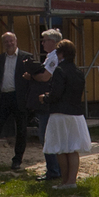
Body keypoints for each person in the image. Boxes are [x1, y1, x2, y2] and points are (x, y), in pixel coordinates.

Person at [41, 40, 91, 189]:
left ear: (60, 53)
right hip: (76, 114)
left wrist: (45, 98)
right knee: (73, 148)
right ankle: (72, 181)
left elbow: (56, 94)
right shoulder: (78, 72)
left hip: (60, 114)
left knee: (61, 149)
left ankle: (65, 181)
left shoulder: (59, 70)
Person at [0, 32, 35, 171]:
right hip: (3, 98)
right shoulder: (0, 58)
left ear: (16, 41)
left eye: (11, 40)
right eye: (6, 41)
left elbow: (32, 80)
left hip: (19, 98)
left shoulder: (26, 57)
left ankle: (17, 160)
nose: (9, 43)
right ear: (3, 44)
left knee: (21, 130)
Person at [28, 28, 63, 182]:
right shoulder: (51, 56)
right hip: (50, 101)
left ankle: (54, 170)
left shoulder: (53, 57)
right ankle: (56, 169)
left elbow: (45, 77)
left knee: (46, 137)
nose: (42, 43)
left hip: (47, 103)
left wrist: (31, 75)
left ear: (54, 42)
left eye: (45, 40)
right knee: (51, 137)